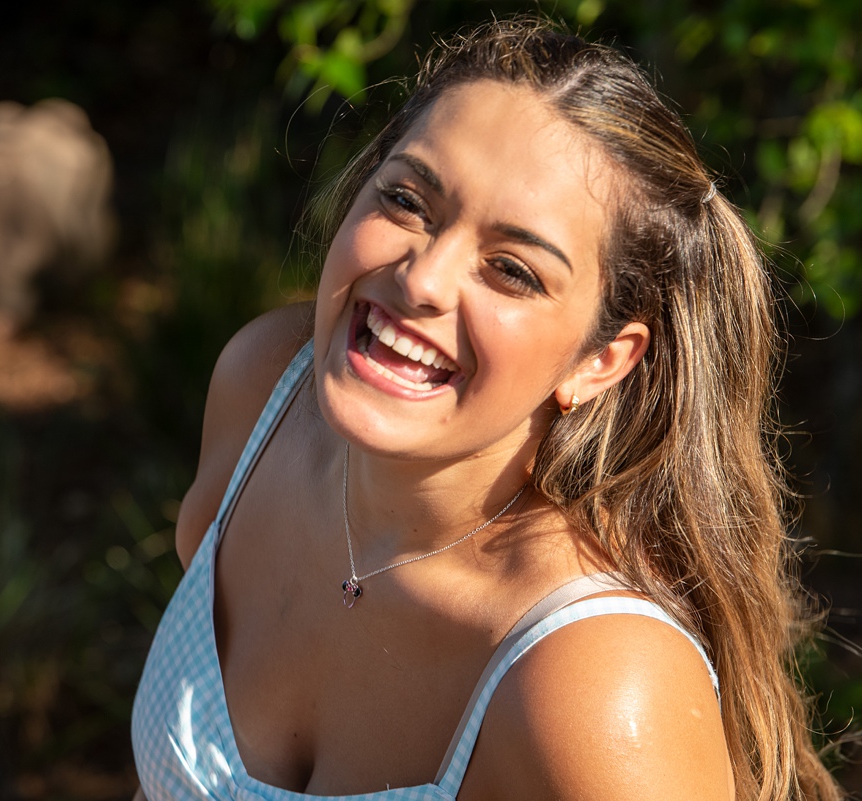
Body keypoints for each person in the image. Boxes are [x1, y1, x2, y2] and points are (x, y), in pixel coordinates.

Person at [131, 17, 842, 801]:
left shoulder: (594, 682)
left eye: (511, 270)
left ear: (600, 361)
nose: (424, 279)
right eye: (407, 200)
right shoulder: (263, 388)